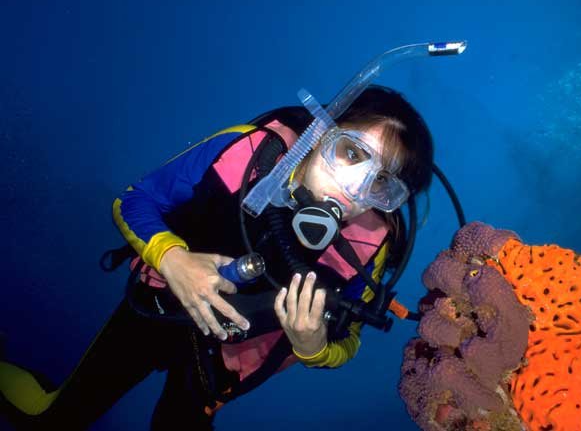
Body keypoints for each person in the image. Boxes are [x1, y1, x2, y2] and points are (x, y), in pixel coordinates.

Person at [0, 83, 435, 430]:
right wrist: (173, 260)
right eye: (351, 152)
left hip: (223, 362)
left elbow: (350, 341)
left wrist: (314, 347)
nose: (353, 189)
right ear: (321, 131)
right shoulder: (245, 152)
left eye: (381, 184)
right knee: (50, 421)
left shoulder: (373, 243)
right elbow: (135, 200)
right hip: (158, 309)